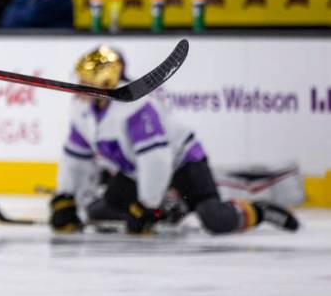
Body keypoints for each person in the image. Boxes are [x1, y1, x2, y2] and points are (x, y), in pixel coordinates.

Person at [51, 46, 299, 235]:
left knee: (213, 218)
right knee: (99, 210)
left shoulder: (136, 107)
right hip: (139, 173)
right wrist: (65, 196)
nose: (78, 86)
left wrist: (148, 204)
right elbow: (75, 158)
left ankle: (260, 211)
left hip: (183, 165)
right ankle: (171, 209)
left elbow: (156, 160)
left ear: (104, 82)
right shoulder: (81, 110)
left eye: (84, 81)